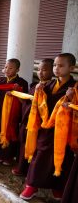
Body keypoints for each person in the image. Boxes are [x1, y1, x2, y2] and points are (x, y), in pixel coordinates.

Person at [20, 53, 76, 201]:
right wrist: (39, 90)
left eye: (61, 65)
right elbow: (39, 105)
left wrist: (72, 99)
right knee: (40, 157)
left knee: (62, 158)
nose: (57, 68)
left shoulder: (74, 87)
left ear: (71, 68)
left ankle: (56, 186)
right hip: (46, 129)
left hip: (63, 131)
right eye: (55, 65)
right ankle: (32, 185)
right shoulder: (48, 85)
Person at [12, 59, 54, 176]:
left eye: (44, 70)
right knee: (23, 144)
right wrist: (16, 94)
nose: (40, 72)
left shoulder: (50, 87)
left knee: (35, 147)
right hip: (26, 121)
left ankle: (30, 171)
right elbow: (26, 103)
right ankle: (21, 167)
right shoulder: (34, 85)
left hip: (38, 124)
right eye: (39, 69)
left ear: (53, 71)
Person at [0, 59, 28, 166]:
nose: (7, 70)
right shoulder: (0, 80)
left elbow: (25, 101)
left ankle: (8, 157)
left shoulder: (22, 83)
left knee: (11, 132)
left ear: (17, 70)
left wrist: (16, 92)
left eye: (10, 68)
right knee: (0, 131)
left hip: (13, 114)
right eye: (6, 67)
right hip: (1, 111)